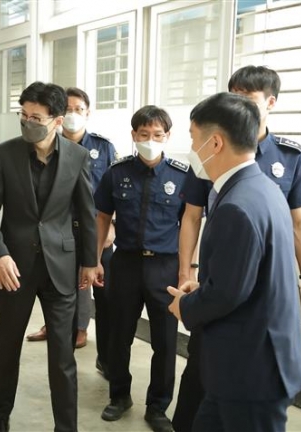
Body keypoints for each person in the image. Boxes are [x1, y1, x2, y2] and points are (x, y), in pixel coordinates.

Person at [172, 65, 301, 432]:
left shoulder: (238, 204)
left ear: (215, 142)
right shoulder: (256, 186)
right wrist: (200, 285)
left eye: (193, 138)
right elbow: (241, 274)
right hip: (241, 362)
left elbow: (228, 293)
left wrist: (184, 305)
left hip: (254, 372)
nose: (191, 148)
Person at [0, 82, 97, 432]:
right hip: (14, 267)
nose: (28, 122)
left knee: (62, 356)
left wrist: (89, 261)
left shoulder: (77, 157)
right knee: (8, 345)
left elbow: (86, 212)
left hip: (61, 266)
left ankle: (66, 426)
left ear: (57, 120)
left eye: (37, 117)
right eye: (24, 115)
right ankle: (1, 415)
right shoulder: (4, 154)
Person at [93, 106, 187, 432]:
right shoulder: (116, 173)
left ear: (168, 137)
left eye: (157, 135)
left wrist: (188, 270)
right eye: (144, 135)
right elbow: (102, 217)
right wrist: (93, 261)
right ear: (134, 136)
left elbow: (189, 226)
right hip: (125, 264)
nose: (150, 141)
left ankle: (158, 406)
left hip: (166, 267)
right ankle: (119, 396)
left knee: (165, 341)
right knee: (119, 336)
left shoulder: (181, 176)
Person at [26, 87, 117, 360]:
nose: (73, 114)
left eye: (79, 109)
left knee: (99, 287)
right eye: (68, 109)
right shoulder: (47, 145)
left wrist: (114, 226)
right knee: (57, 282)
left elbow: (116, 191)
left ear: (88, 112)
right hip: (60, 228)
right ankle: (61, 326)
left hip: (97, 228)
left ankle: (99, 347)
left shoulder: (103, 146)